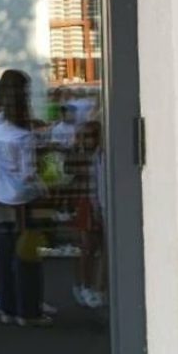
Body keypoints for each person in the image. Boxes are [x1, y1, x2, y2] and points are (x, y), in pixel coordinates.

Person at [0, 70, 51, 327]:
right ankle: (29, 310)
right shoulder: (23, 136)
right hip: (24, 201)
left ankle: (8, 307)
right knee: (27, 256)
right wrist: (43, 187)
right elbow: (28, 174)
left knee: (5, 256)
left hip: (2, 195)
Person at [71, 121, 106, 308]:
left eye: (91, 136)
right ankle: (84, 286)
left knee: (100, 248)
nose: (87, 140)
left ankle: (97, 287)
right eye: (84, 136)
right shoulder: (82, 156)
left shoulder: (101, 155)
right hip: (86, 204)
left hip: (97, 202)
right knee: (88, 247)